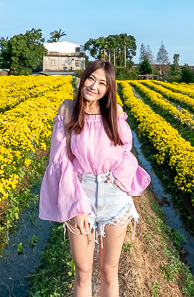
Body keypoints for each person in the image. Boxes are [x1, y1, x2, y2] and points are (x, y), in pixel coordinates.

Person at [39, 59, 151, 297]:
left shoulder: (115, 112)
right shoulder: (68, 110)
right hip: (81, 194)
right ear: (83, 79)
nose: (94, 86)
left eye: (102, 83)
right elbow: (61, 161)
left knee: (109, 271)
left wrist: (118, 176)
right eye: (91, 78)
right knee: (83, 272)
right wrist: (77, 206)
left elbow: (125, 150)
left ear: (108, 89)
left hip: (115, 199)